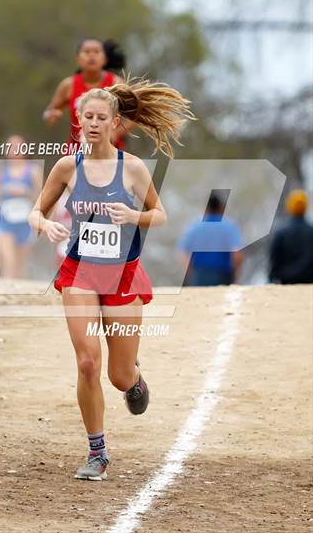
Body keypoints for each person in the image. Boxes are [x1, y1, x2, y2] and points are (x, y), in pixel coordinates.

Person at [29, 77, 194, 480]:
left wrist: (134, 216)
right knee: (87, 362)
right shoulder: (68, 166)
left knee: (118, 377)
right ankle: (97, 452)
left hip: (122, 275)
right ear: (79, 120)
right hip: (80, 272)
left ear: (115, 121)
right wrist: (43, 225)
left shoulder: (132, 169)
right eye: (87, 117)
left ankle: (134, 377)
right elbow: (37, 210)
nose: (94, 123)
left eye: (102, 117)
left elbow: (160, 214)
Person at [43, 38, 130, 148]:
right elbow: (49, 111)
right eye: (87, 52)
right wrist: (50, 116)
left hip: (109, 151)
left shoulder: (116, 83)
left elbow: (136, 116)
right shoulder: (68, 85)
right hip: (77, 151)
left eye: (97, 52)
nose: (91, 56)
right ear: (78, 59)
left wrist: (116, 133)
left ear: (105, 59)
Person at [0, 135, 42, 278]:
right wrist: (5, 188)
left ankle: (18, 293)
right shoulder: (1, 170)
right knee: (8, 258)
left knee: (20, 262)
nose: (14, 150)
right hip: (4, 218)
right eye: (10, 146)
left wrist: (26, 192)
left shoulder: (34, 170)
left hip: (25, 220)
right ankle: (7, 289)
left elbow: (43, 196)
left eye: (18, 146)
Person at [177, 192, 244, 286]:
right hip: (222, 276)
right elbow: (237, 254)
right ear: (221, 208)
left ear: (206, 208)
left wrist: (191, 273)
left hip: (199, 276)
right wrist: (235, 274)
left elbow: (183, 254)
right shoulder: (229, 226)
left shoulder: (195, 227)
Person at [269, 189, 313, 284]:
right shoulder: (311, 231)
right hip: (309, 283)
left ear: (289, 206)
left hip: (286, 281)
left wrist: (272, 278)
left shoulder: (281, 232)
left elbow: (274, 261)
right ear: (306, 206)